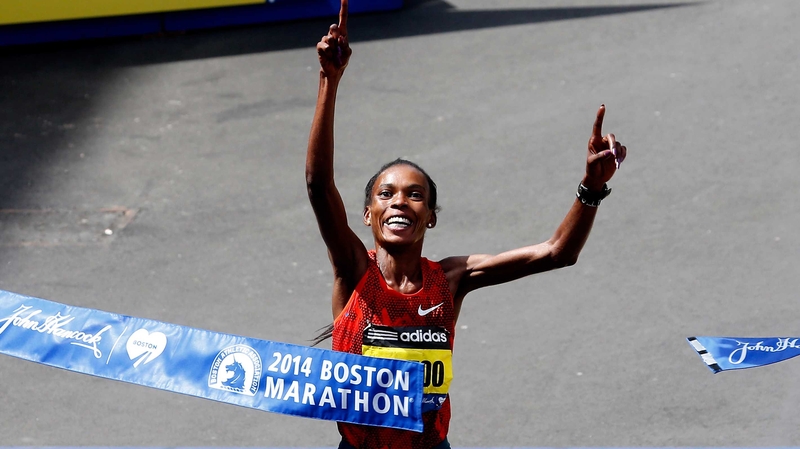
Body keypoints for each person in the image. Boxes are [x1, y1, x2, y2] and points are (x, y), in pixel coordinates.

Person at [306, 1, 627, 448]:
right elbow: (319, 186)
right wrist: (329, 80)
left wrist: (591, 187)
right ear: (367, 215)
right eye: (386, 193)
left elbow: (558, 252)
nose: (400, 201)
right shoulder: (354, 271)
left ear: (431, 217)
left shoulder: (451, 279)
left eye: (415, 195)